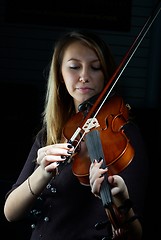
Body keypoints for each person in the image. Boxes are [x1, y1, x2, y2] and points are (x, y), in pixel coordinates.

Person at [4, 30, 149, 240]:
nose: (84, 76)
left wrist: (120, 199)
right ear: (61, 76)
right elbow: (10, 212)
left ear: (106, 74)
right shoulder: (51, 133)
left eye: (95, 67)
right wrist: (42, 173)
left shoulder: (124, 134)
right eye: (74, 67)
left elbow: (136, 234)